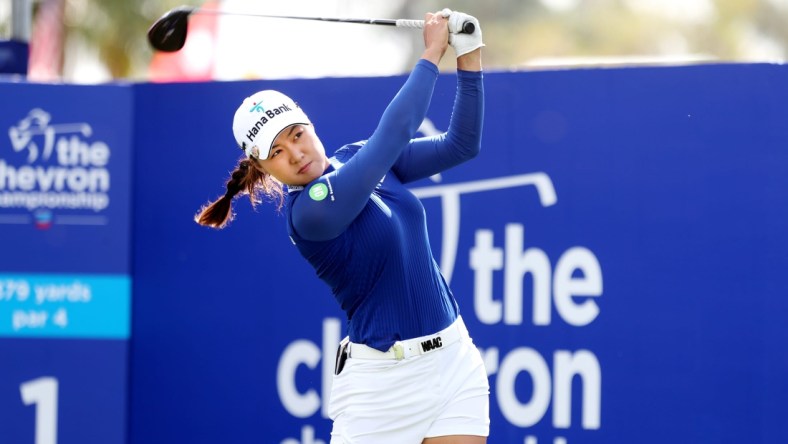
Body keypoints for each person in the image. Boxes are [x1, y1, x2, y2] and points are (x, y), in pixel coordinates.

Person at [196, 9, 488, 444]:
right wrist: (432, 52)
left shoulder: (356, 156)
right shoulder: (309, 213)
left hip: (453, 359)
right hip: (382, 387)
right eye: (276, 151)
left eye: (296, 134)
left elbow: (460, 145)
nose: (294, 154)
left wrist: (470, 53)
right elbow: (395, 132)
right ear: (262, 167)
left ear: (310, 125)